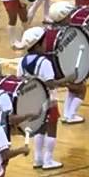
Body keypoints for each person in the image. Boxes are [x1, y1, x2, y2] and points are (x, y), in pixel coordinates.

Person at [15, 27, 71, 169]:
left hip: (33, 101)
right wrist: (66, 80)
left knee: (40, 127)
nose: (47, 43)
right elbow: (51, 83)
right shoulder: (44, 62)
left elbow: (20, 81)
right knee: (51, 128)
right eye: (44, 41)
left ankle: (38, 159)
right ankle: (48, 160)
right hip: (48, 100)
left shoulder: (22, 62)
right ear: (38, 44)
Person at [44, 1, 89, 125]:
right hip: (60, 73)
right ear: (63, 18)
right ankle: (71, 115)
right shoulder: (66, 33)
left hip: (49, 71)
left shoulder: (46, 31)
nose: (70, 18)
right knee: (81, 88)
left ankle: (67, 115)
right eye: (68, 16)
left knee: (73, 87)